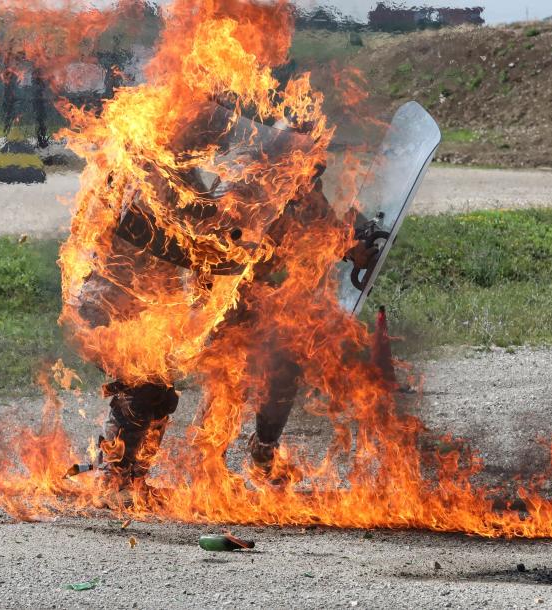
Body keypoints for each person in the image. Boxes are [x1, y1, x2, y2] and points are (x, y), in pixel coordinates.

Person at [71, 95, 365, 485]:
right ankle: (119, 471)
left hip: (161, 297)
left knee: (272, 360)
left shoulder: (278, 182)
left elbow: (310, 224)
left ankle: (161, 469)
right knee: (149, 383)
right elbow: (194, 243)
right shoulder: (155, 172)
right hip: (117, 297)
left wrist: (348, 237)